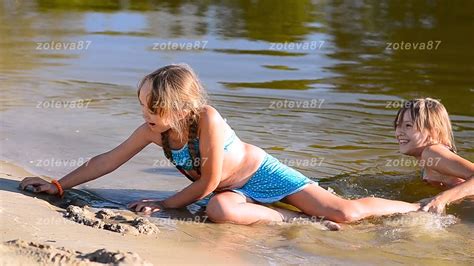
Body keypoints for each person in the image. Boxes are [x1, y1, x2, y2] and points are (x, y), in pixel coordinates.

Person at [20, 64, 420, 225]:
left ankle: (417, 205)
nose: (145, 113)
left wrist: (164, 203)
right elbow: (106, 160)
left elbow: (208, 178)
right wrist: (59, 185)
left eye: (153, 107)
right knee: (220, 212)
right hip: (228, 191)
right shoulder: (153, 130)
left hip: (263, 175)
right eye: (142, 104)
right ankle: (299, 223)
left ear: (180, 108)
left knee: (345, 214)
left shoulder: (207, 119)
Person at [394, 98, 474, 214]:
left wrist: (441, 199)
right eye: (397, 125)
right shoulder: (429, 157)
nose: (399, 132)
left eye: (408, 125)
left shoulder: (431, 152)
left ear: (434, 132)